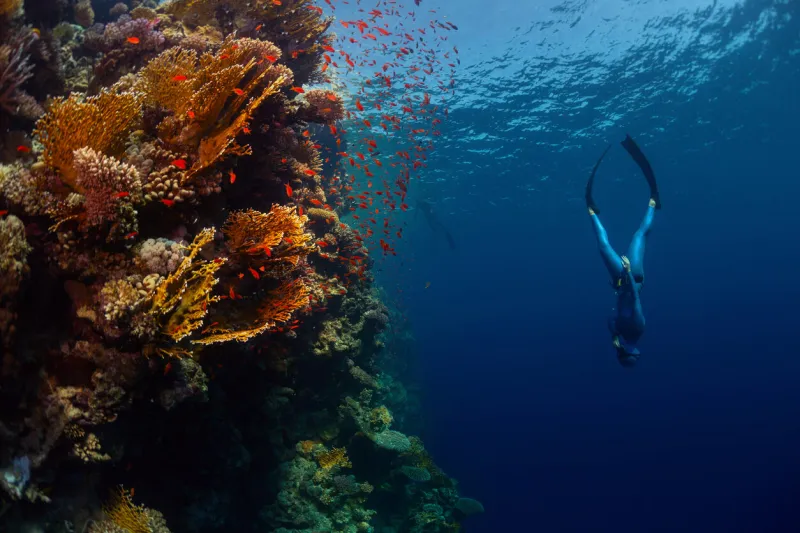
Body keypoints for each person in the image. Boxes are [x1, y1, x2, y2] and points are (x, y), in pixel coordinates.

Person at [585, 135, 661, 367]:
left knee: (604, 246)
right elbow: (635, 299)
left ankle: (591, 210)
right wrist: (627, 272)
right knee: (637, 236)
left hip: (621, 281)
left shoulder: (619, 335)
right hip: (632, 277)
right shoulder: (638, 328)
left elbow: (611, 319)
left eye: (622, 354)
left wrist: (614, 336)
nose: (622, 351)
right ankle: (654, 202)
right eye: (624, 353)